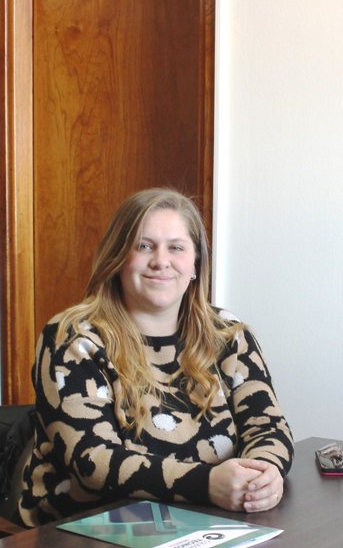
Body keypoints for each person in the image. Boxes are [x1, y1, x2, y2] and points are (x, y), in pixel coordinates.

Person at [19, 187, 293, 525]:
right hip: (86, 530)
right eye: (144, 246)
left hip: (202, 521)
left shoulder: (229, 335)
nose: (160, 261)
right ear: (117, 258)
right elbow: (93, 460)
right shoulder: (73, 337)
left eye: (176, 248)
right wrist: (206, 484)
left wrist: (265, 474)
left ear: (195, 264)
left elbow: (268, 426)